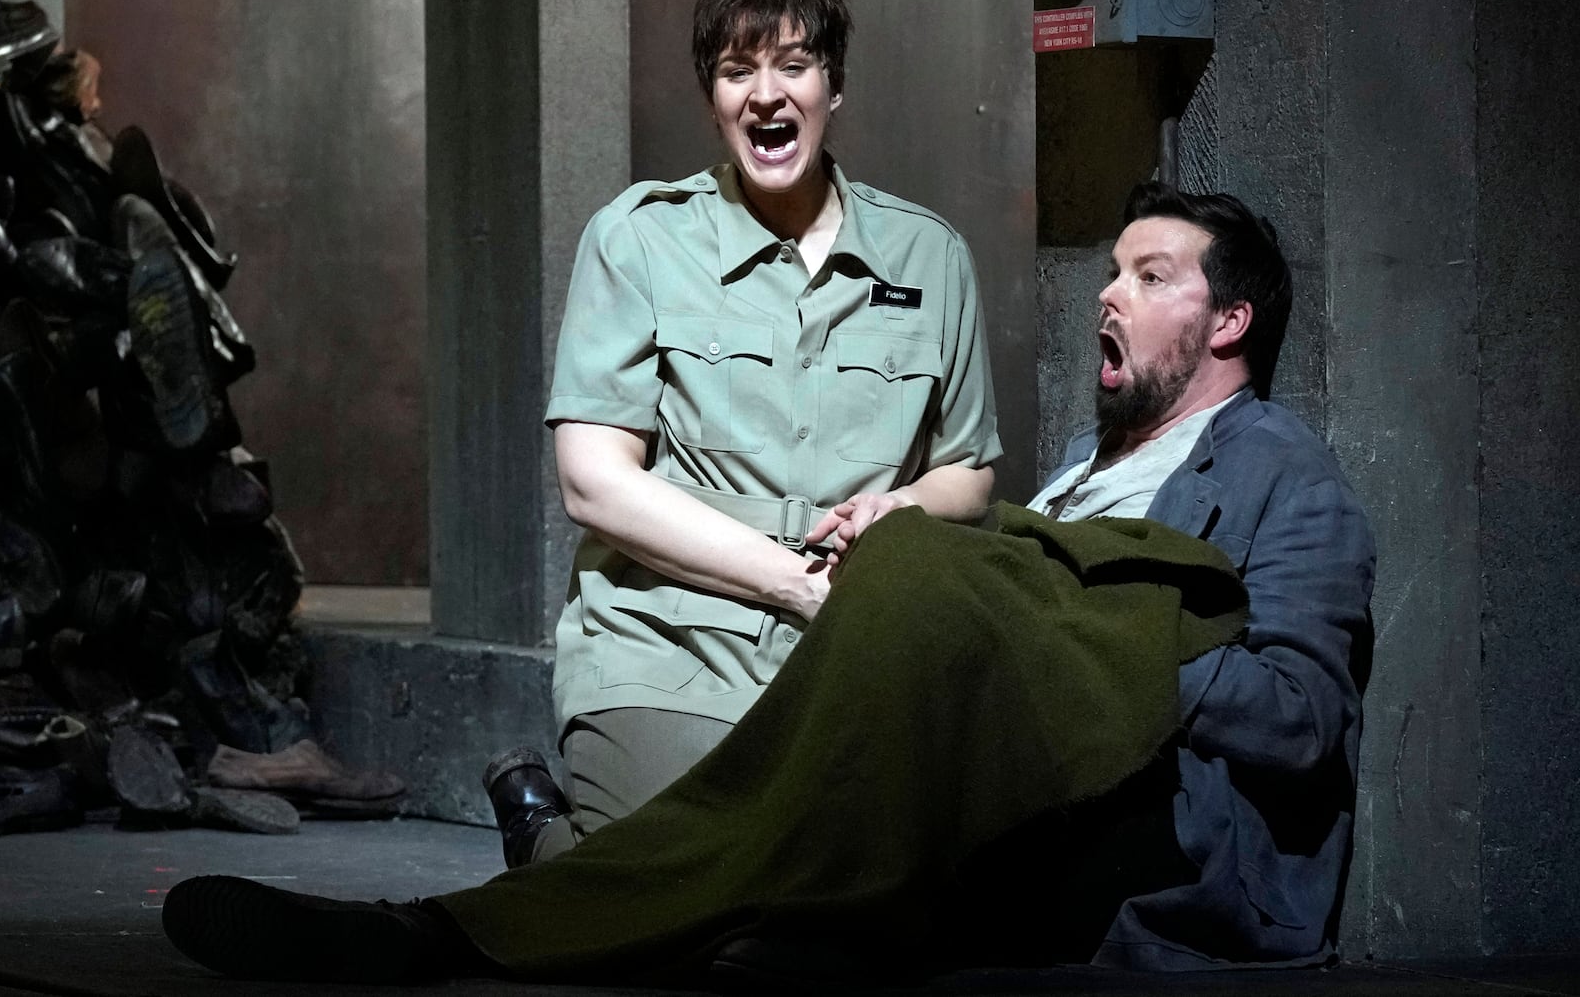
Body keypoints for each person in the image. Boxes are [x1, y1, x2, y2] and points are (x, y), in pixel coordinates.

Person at [161, 182, 1375, 984]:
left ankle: (460, 915)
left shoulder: (1281, 475)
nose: (1107, 292)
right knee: (750, 887)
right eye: (1109, 270)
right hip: (963, 789)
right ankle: (440, 922)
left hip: (1110, 836)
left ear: (1230, 323)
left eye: (1151, 276)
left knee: (746, 898)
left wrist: (1087, 623)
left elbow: (1302, 715)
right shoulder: (1077, 472)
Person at [482, 0, 1001, 867]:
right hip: (666, 641)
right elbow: (596, 486)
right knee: (684, 882)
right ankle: (545, 833)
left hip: (852, 648)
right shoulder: (640, 239)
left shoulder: (930, 257)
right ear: (714, 98)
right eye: (737, 71)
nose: (766, 93)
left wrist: (902, 506)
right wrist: (792, 583)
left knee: (849, 899)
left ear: (832, 87)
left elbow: (972, 472)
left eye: (793, 64)